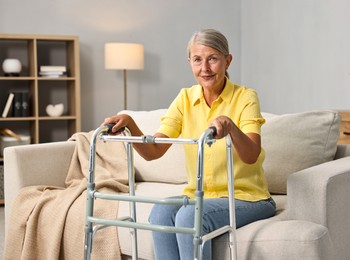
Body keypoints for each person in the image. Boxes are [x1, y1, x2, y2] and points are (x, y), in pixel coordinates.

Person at [103, 28, 276, 260]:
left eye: (213, 59)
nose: (204, 68)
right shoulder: (185, 98)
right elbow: (153, 151)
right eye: (197, 60)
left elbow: (251, 155)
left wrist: (231, 127)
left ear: (228, 61)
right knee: (161, 213)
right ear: (190, 63)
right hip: (200, 195)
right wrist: (131, 126)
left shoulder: (245, 97)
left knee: (188, 216)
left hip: (248, 198)